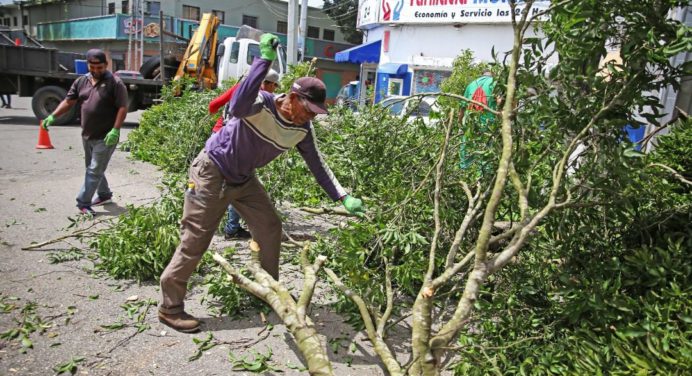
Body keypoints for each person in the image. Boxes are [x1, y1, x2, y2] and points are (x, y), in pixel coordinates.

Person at [158, 34, 364, 333]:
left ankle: (270, 289)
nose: (310, 118)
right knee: (196, 240)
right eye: (308, 110)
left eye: (316, 113)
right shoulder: (261, 104)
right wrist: (263, 60)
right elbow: (238, 105)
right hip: (213, 171)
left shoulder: (303, 130)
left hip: (244, 178)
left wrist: (343, 197)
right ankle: (170, 308)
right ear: (292, 98)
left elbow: (318, 164)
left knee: (269, 227)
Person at [42, 49, 128, 216]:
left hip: (106, 136)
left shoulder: (115, 84)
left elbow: (123, 108)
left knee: (94, 170)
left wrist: (115, 130)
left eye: (100, 67)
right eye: (92, 67)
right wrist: (52, 116)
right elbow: (69, 101)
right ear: (88, 65)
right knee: (93, 168)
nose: (96, 70)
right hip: (87, 134)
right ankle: (104, 195)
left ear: (106, 65)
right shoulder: (81, 81)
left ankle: (83, 202)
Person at [208, 69, 280, 240]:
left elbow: (213, 105)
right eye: (274, 86)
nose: (274, 90)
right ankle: (232, 229)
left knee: (214, 182)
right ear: (269, 83)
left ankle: (206, 220)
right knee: (239, 184)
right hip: (236, 146)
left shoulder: (240, 87)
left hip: (216, 138)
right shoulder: (263, 98)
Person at [460, 70, 497, 170]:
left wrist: (460, 124)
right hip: (488, 124)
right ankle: (483, 178)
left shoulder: (471, 84)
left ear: (482, 75)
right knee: (486, 152)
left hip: (470, 123)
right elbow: (500, 102)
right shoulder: (495, 83)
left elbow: (462, 108)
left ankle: (464, 172)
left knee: (466, 148)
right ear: (492, 75)